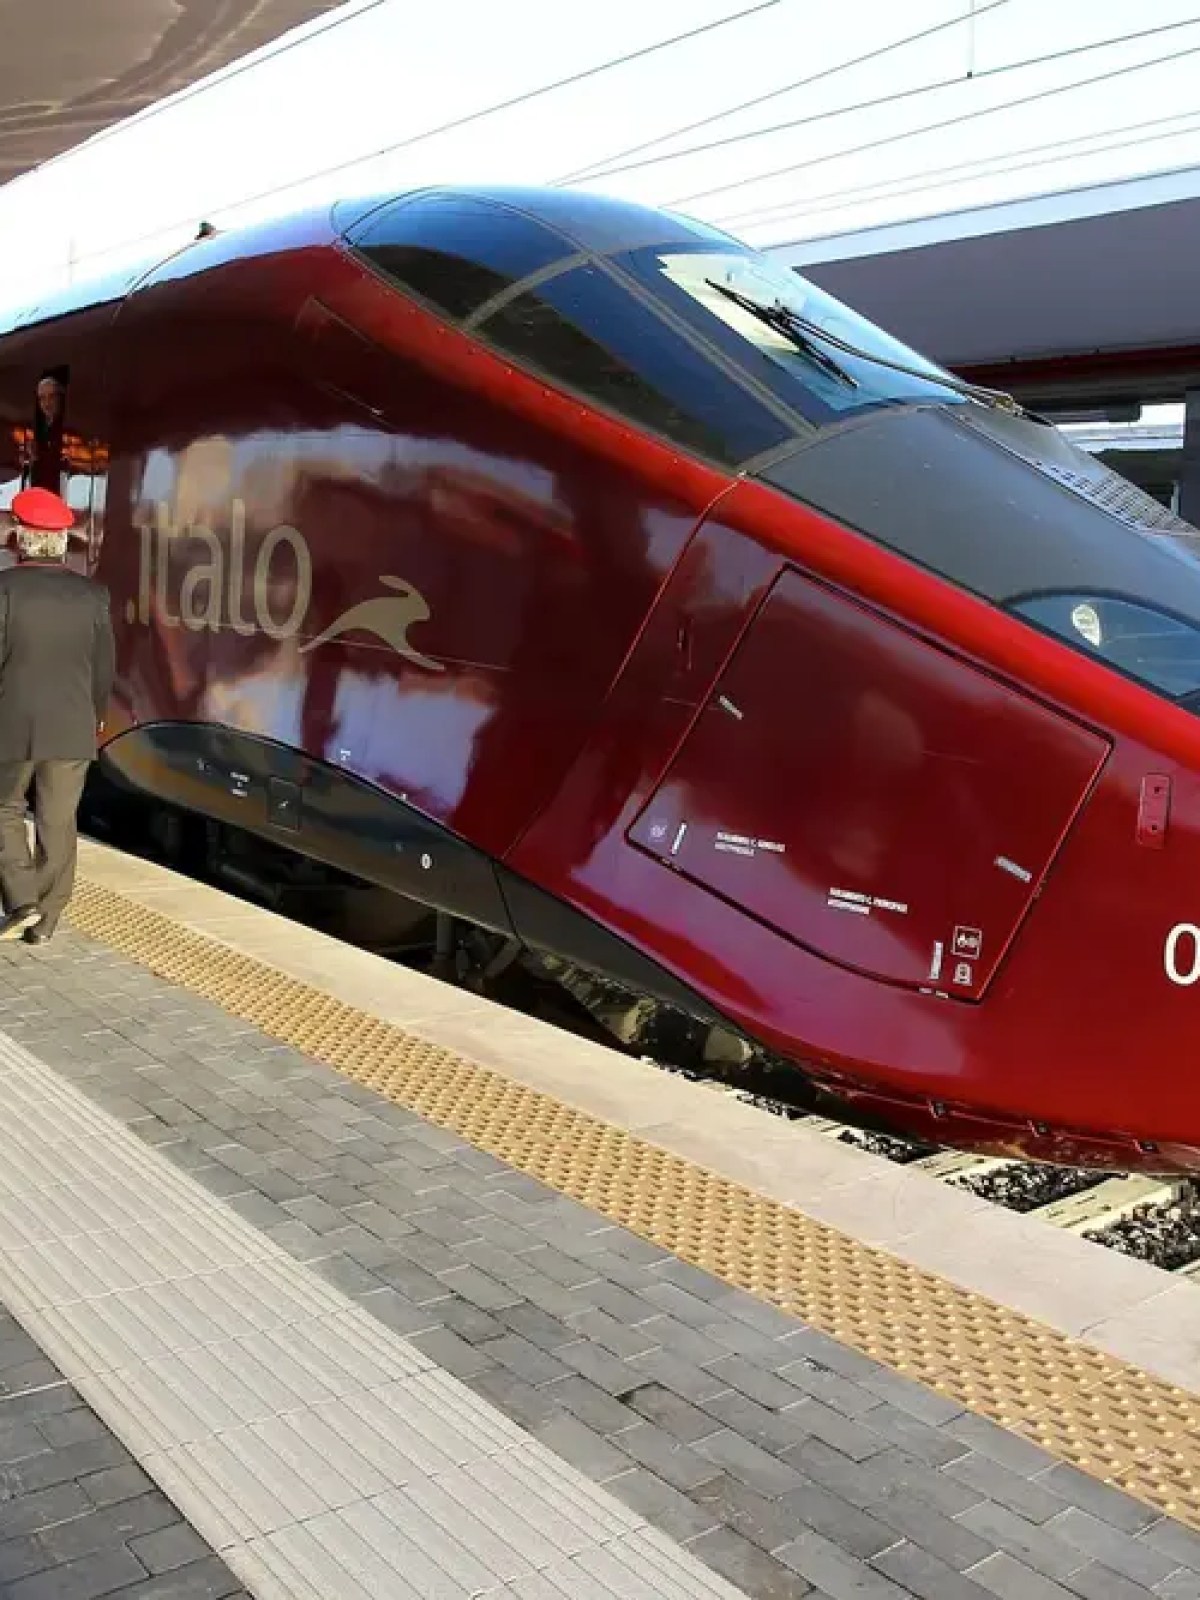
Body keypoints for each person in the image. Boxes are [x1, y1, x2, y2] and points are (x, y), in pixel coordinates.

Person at [0, 487, 114, 943]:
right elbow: (104, 664)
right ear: (63, 542)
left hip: (11, 722)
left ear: (21, 539)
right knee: (57, 820)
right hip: (73, 724)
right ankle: (46, 921)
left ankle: (21, 898)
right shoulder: (93, 596)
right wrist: (98, 714)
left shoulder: (5, 590)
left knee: (4, 808)